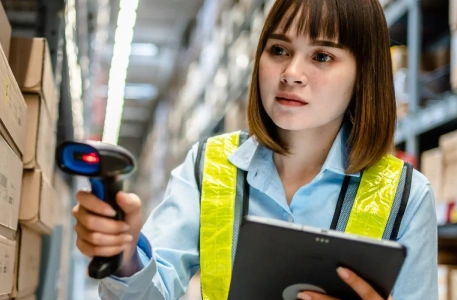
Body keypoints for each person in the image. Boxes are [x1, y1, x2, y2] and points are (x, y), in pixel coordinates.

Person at [72, 0, 438, 299]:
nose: (291, 72)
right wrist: (124, 254)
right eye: (279, 49)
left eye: (322, 56)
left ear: (365, 74)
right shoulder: (210, 166)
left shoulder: (406, 196)